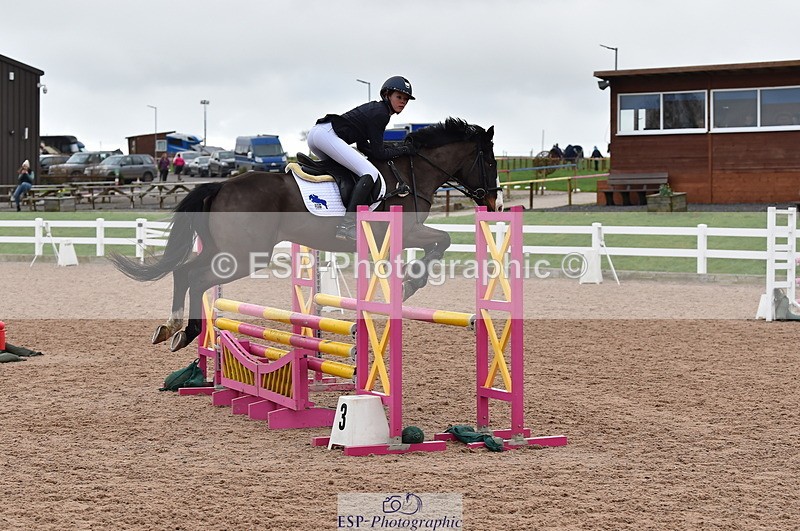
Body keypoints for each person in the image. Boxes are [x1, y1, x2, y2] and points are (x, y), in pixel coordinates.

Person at [307, 75, 416, 241]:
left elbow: (363, 147)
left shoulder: (376, 109)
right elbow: (378, 153)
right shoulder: (381, 114)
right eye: (399, 97)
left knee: (348, 172)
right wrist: (403, 150)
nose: (403, 102)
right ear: (387, 95)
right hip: (326, 136)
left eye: (406, 100)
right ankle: (347, 224)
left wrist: (395, 148)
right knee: (370, 173)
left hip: (318, 135)